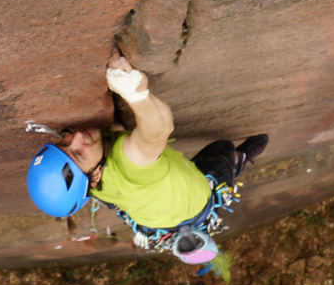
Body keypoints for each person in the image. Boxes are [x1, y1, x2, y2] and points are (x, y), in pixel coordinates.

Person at [26, 50, 268, 263]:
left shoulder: (88, 185)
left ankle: (235, 159)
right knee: (222, 151)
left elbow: (124, 145)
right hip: (194, 200)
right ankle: (239, 158)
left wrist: (115, 132)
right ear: (95, 177)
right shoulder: (132, 162)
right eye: (78, 153)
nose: (77, 136)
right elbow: (158, 131)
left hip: (159, 222)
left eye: (64, 141)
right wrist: (133, 91)